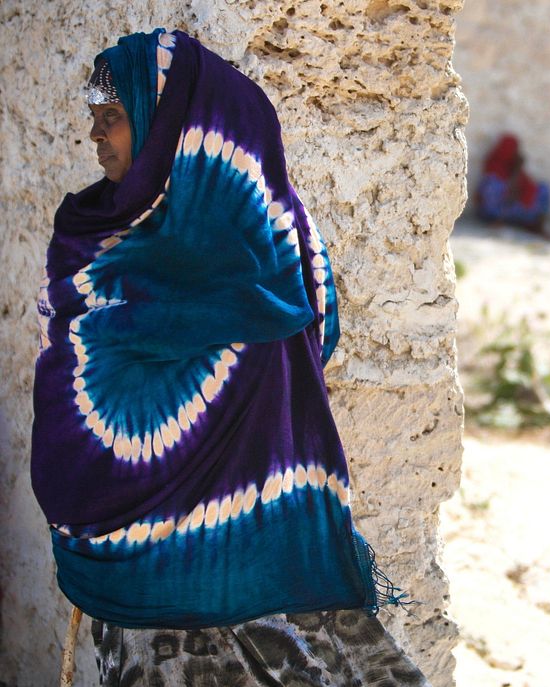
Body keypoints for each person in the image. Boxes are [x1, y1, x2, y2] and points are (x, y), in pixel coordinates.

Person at [32, 30, 429, 686]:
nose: (97, 139)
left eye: (114, 118)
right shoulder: (96, 234)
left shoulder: (271, 234)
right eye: (93, 121)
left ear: (170, 127)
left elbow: (306, 337)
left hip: (254, 546)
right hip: (135, 570)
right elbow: (73, 373)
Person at [475, 133, 550, 235]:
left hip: (511, 210)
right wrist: (516, 171)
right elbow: (510, 196)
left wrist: (517, 169)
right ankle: (531, 225)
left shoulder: (512, 167)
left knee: (544, 189)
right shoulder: (494, 172)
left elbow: (528, 187)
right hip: (493, 213)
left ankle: (537, 225)